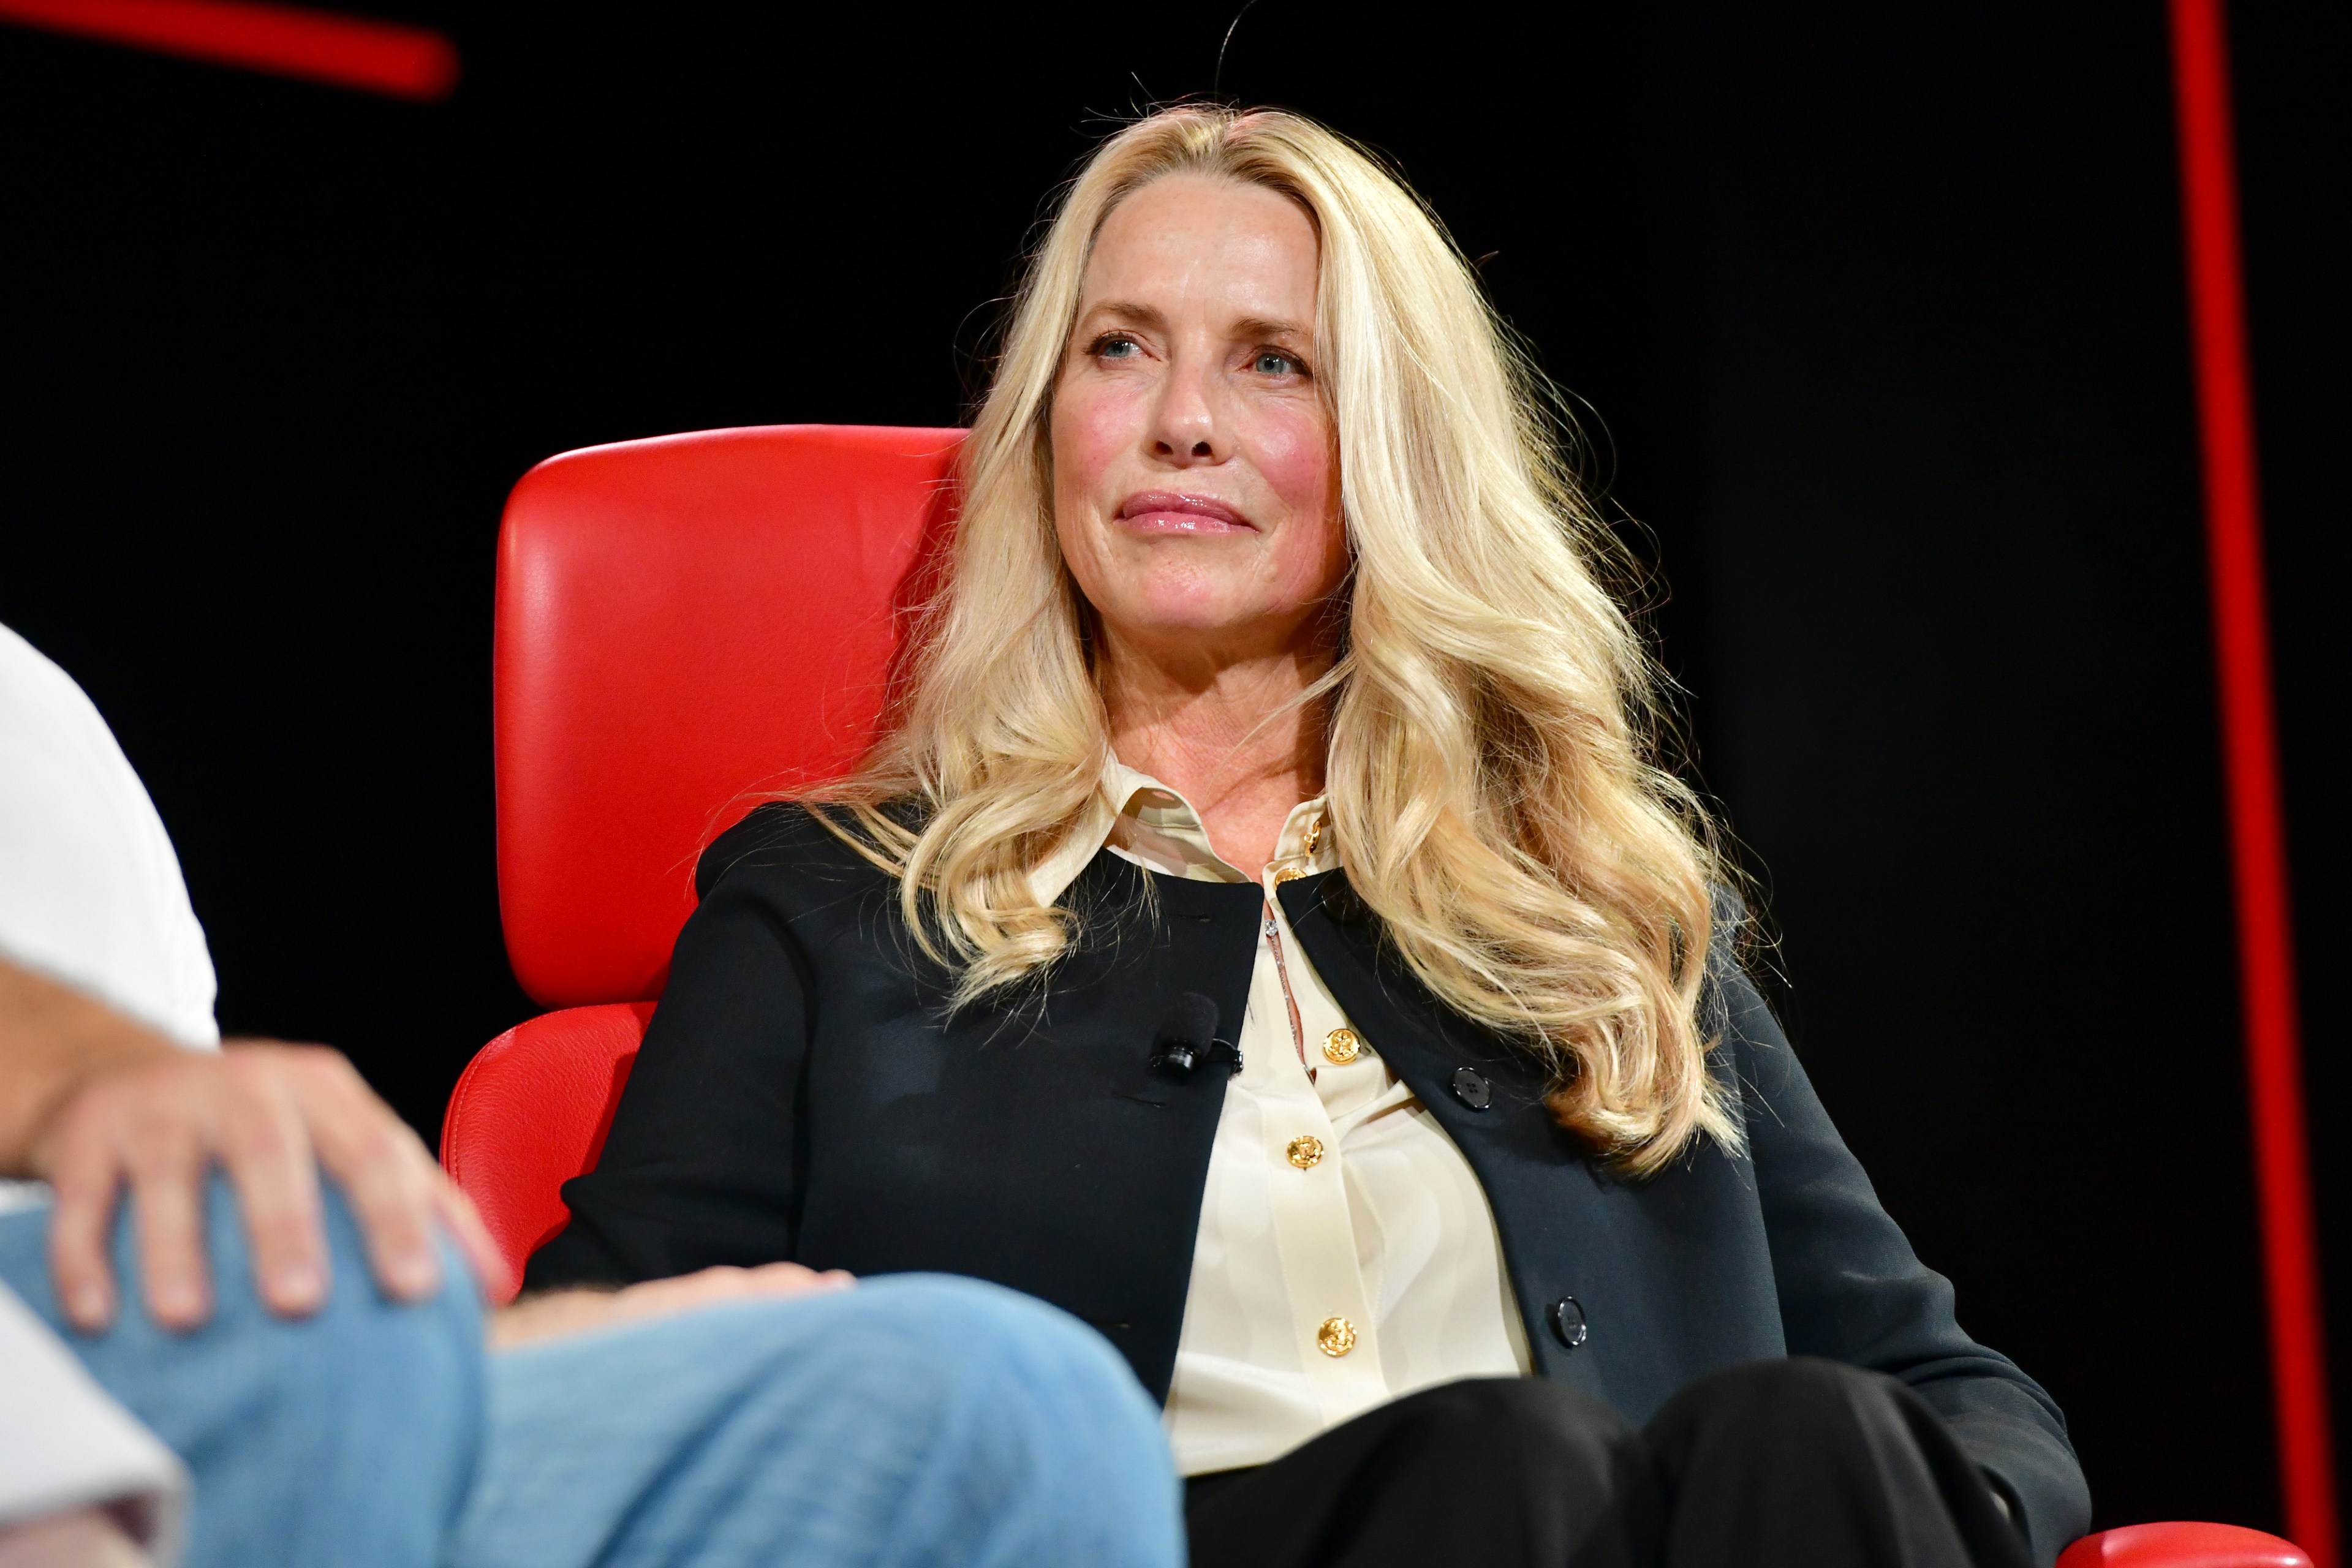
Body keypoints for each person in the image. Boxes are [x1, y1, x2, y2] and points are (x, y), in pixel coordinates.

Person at [525, 105, 2095, 1568]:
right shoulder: (831, 913)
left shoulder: (1589, 911)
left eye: (1275, 361)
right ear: (1047, 423)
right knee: (1503, 1464)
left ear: (1392, 448)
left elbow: (1947, 1391)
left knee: (1800, 1428)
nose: (1182, 421)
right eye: (1120, 348)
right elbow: (591, 1405)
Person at [0, 620, 1184, 1568]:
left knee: (1010, 1403)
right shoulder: (816, 896)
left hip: (203, 1406)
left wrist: (555, 1341)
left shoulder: (36, 720)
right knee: (301, 1277)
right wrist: (84, 1075)